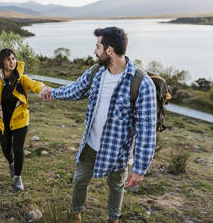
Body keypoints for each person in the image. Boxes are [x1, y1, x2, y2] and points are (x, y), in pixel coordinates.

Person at [39, 27, 157, 223]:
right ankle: (74, 214)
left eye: (97, 46)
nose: (94, 51)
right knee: (79, 180)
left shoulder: (141, 83)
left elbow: (147, 130)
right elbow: (75, 90)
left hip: (117, 152)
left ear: (109, 50)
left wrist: (139, 168)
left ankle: (113, 219)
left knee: (116, 187)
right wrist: (52, 92)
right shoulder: (97, 72)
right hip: (90, 145)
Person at [0, 48, 48, 191]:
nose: (12, 62)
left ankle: (18, 177)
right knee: (6, 149)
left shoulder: (21, 78)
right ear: (2, 62)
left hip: (20, 119)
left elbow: (34, 84)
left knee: (18, 149)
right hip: (2, 120)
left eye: (13, 58)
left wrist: (42, 89)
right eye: (8, 59)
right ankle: (11, 163)